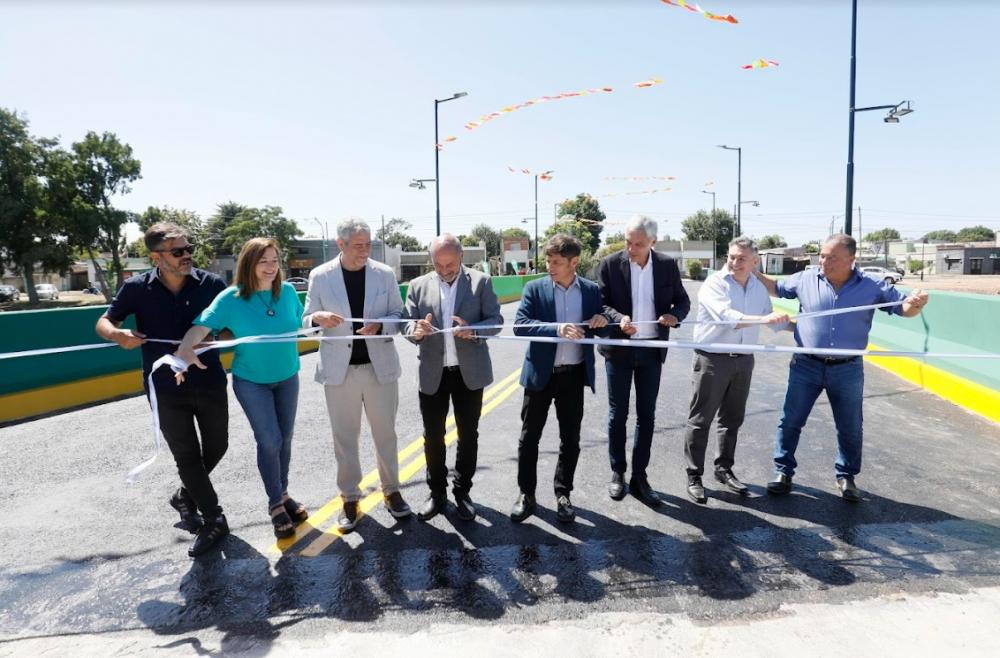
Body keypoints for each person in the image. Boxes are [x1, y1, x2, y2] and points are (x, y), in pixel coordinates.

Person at [754, 234, 929, 501]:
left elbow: (904, 308)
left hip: (847, 369)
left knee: (849, 426)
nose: (824, 261)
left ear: (851, 259)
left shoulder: (872, 285)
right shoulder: (805, 278)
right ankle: (783, 471)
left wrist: (917, 304)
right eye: (822, 256)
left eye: (832, 257)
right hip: (805, 365)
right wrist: (752, 270)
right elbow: (776, 288)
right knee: (790, 421)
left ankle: (846, 476)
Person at [96, 222, 230, 558]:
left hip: (209, 379)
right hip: (164, 388)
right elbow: (104, 321)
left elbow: (232, 328)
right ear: (156, 256)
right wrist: (118, 335)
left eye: (188, 249)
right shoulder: (136, 288)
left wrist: (217, 337)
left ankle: (185, 496)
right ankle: (214, 518)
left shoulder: (212, 284)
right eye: (178, 251)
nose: (187, 255)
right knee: (186, 454)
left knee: (217, 445)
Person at [175, 237, 308, 539]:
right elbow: (201, 327)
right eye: (264, 261)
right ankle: (275, 504)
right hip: (251, 382)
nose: (271, 267)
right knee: (270, 440)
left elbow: (300, 322)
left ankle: (283, 492)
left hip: (288, 376)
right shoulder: (231, 298)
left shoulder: (287, 292)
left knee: (285, 439)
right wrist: (185, 348)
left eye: (275, 260)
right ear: (249, 264)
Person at [302, 218, 411, 531]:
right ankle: (350, 497)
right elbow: (307, 317)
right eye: (358, 245)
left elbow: (398, 314)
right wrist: (317, 318)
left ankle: (392, 492)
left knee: (386, 435)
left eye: (368, 244)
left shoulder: (384, 274)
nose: (364, 251)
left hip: (380, 369)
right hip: (340, 372)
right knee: (345, 439)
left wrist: (380, 325)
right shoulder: (320, 276)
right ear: (341, 244)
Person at [403, 234, 503, 521]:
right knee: (432, 437)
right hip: (433, 373)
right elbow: (406, 323)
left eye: (450, 264)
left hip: (468, 374)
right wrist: (416, 331)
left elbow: (495, 321)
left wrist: (474, 330)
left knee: (468, 434)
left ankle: (462, 492)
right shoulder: (417, 286)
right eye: (438, 265)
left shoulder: (481, 282)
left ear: (461, 256)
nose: (445, 270)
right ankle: (437, 493)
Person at [510, 234, 610, 524]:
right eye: (548, 261)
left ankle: (563, 493)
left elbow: (603, 327)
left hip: (573, 375)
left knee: (571, 439)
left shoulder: (591, 291)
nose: (550, 266)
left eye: (556, 262)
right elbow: (520, 325)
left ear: (574, 262)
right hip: (540, 375)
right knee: (529, 439)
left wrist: (601, 323)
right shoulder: (534, 288)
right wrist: (557, 329)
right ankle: (526, 495)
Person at [682, 237, 788, 504]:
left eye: (741, 258)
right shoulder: (714, 283)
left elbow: (772, 321)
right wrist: (765, 319)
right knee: (700, 420)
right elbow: (727, 317)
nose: (734, 262)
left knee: (732, 420)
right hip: (712, 359)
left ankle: (724, 469)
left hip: (743, 361)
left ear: (755, 262)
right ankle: (694, 476)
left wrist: (803, 328)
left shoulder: (757, 288)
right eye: (731, 257)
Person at [596, 215, 690, 506]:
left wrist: (675, 316)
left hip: (651, 350)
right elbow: (599, 303)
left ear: (653, 242)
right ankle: (618, 473)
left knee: (646, 416)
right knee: (617, 415)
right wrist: (617, 318)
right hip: (619, 351)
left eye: (638, 244)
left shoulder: (666, 265)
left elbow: (682, 301)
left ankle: (640, 476)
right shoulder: (610, 264)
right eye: (628, 242)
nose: (631, 249)